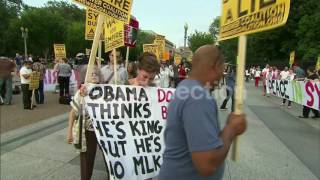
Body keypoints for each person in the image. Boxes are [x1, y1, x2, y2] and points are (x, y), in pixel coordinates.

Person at [159, 45, 246, 180]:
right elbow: (207, 165)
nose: (220, 79)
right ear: (216, 66)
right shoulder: (198, 97)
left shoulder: (185, 87)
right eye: (222, 70)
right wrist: (231, 129)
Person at [66, 65, 105, 180]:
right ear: (85, 76)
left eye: (96, 73)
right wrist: (69, 132)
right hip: (89, 131)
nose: (94, 76)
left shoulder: (107, 91)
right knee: (87, 159)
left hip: (105, 131)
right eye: (91, 73)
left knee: (111, 158)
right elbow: (73, 113)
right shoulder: (81, 92)